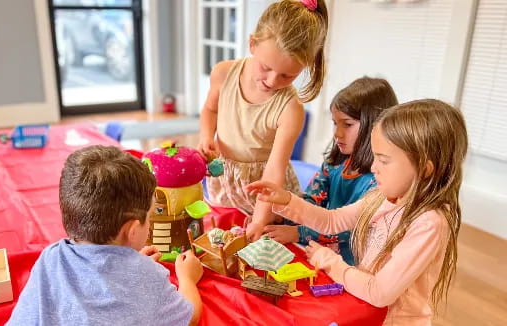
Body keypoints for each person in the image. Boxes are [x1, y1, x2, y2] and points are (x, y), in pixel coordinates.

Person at [246, 99, 468, 325]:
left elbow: (380, 292)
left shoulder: (428, 224)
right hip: (365, 308)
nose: (373, 168)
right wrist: (286, 199)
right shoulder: (383, 198)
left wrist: (330, 261)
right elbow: (332, 221)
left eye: (383, 160)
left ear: (424, 168)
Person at [7, 145, 203, 326]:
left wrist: (128, 267)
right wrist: (187, 279)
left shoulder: (50, 257)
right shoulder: (148, 276)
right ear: (132, 230)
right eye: (150, 216)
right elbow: (190, 316)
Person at [197, 0, 329, 241]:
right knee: (221, 236)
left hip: (265, 191)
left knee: (261, 244)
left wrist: (259, 220)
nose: (271, 80)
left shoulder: (290, 109)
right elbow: (209, 109)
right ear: (252, 44)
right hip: (226, 178)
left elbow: (274, 171)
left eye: (287, 76)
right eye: (265, 67)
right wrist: (207, 136)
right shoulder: (223, 74)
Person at [264, 77, 398, 266]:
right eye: (335, 123)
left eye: (347, 124)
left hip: (351, 267)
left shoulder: (380, 182)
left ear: (374, 125)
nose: (337, 133)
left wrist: (298, 233)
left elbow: (352, 229)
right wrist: (282, 215)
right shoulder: (334, 163)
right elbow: (312, 201)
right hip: (317, 251)